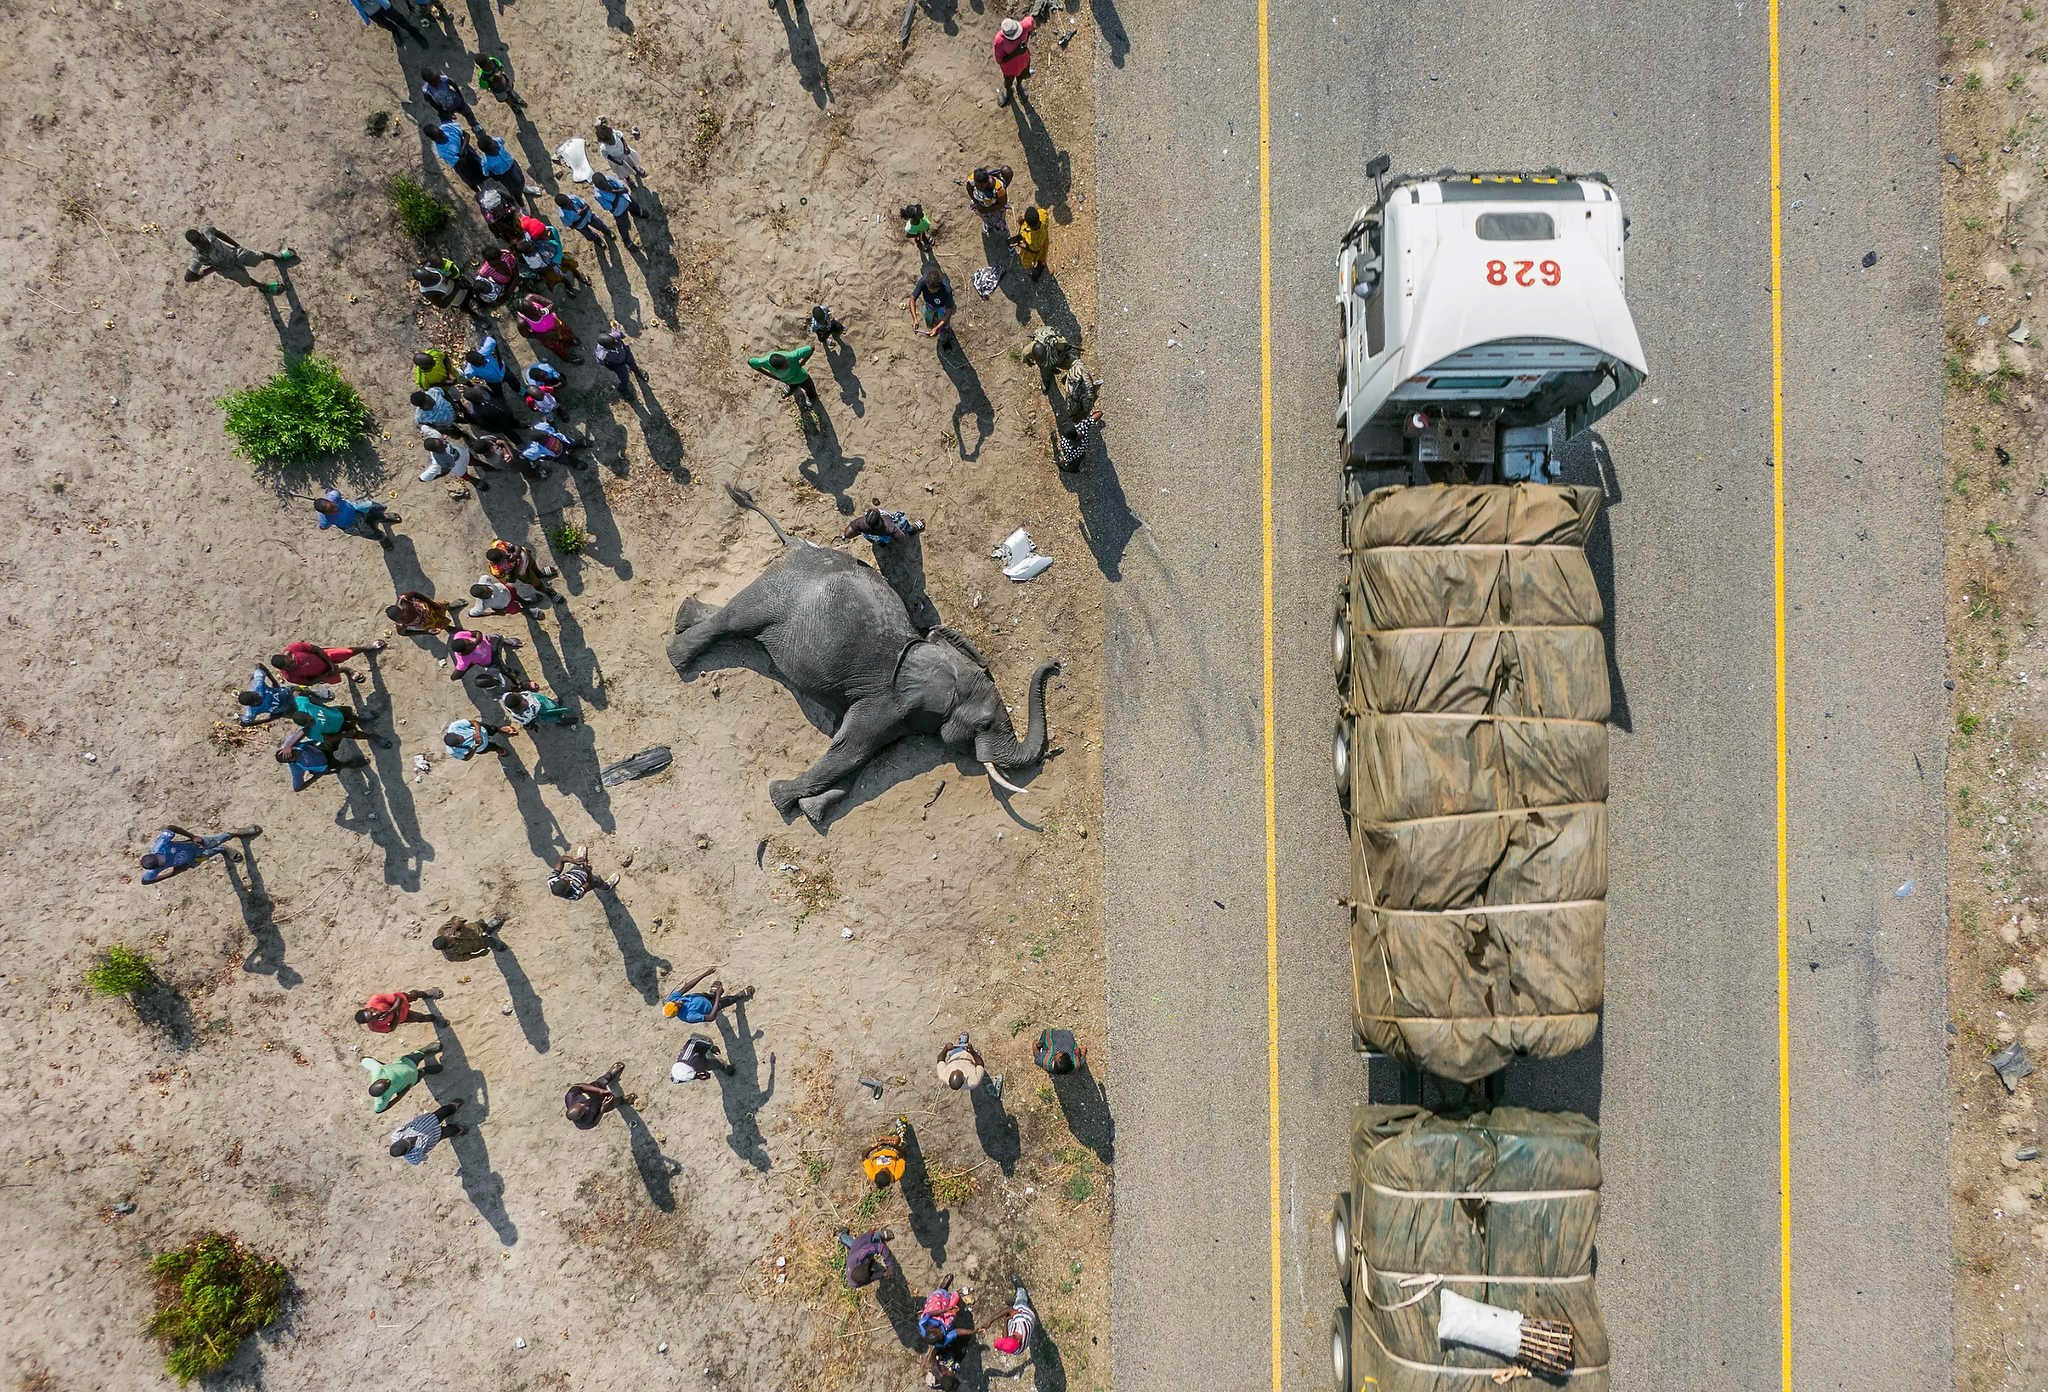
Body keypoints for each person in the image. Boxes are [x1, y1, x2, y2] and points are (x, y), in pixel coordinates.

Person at [183, 226, 297, 295]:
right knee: (246, 280)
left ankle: (277, 257)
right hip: (227, 269)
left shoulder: (207, 231)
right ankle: (264, 287)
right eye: (198, 243)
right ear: (193, 244)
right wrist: (212, 269)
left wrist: (236, 245)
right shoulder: (197, 257)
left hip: (235, 253)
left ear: (201, 235)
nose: (202, 243)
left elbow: (219, 234)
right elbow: (189, 278)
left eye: (201, 239)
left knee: (258, 256)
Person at [139, 825, 257, 884]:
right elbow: (145, 881)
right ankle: (223, 849)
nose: (162, 858)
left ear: (154, 854)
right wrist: (172, 873)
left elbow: (170, 827)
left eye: (159, 856)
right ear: (157, 867)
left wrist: (192, 836)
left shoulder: (160, 845)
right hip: (192, 860)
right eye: (161, 862)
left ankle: (237, 833)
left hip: (196, 844)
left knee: (220, 838)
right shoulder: (152, 872)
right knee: (209, 854)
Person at [289, 688, 388, 749]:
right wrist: (343, 735)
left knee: (352, 715)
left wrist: (312, 692)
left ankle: (361, 720)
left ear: (306, 713)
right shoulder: (311, 732)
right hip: (339, 729)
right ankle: (372, 737)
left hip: (337, 713)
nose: (312, 721)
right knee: (355, 734)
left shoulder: (303, 705)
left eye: (310, 718)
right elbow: (327, 738)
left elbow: (295, 691)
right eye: (309, 723)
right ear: (304, 726)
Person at [362, 1043, 443, 1112]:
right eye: (388, 1084)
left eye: (385, 1080)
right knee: (419, 1075)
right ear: (384, 1092)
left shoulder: (377, 1070)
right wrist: (401, 1095)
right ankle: (425, 1070)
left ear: (377, 1080)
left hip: (406, 1063)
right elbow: (379, 1110)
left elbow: (363, 1059)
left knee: (418, 1055)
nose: (388, 1080)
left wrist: (386, 1065)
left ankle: (424, 1051)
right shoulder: (381, 1100)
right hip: (409, 1081)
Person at [277, 727, 364, 790]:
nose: (296, 754)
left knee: (330, 738)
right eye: (292, 757)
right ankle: (348, 764)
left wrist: (289, 745)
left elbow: (304, 730)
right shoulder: (296, 768)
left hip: (319, 748)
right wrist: (316, 777)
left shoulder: (290, 744)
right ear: (291, 762)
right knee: (336, 766)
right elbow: (297, 788)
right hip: (324, 765)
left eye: (293, 752)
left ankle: (345, 734)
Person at [272, 639, 383, 687]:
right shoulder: (289, 676)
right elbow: (308, 683)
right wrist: (324, 675)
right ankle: (346, 670)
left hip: (324, 657)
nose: (293, 663)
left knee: (347, 651)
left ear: (287, 655)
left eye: (291, 660)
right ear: (284, 669)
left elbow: (316, 649)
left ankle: (365, 647)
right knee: (336, 677)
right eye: (289, 666)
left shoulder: (294, 648)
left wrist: (330, 664)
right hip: (322, 674)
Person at [313, 490, 399, 547]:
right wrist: (322, 524)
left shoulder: (333, 496)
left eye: (333, 506)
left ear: (331, 501)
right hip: (352, 525)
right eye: (331, 511)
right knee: (370, 533)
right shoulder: (325, 519)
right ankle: (382, 539)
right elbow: (323, 527)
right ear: (324, 513)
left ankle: (384, 518)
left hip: (357, 509)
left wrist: (328, 492)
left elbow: (334, 491)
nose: (335, 509)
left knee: (376, 510)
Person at [661, 968, 751, 1022]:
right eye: (679, 1004)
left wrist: (704, 974)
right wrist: (718, 997)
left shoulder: (671, 999)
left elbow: (686, 987)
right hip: (710, 1007)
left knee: (717, 984)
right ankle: (740, 995)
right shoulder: (688, 1017)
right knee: (727, 1000)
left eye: (675, 1001)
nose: (679, 1001)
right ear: (677, 1012)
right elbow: (711, 1017)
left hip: (702, 997)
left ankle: (713, 994)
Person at [477, 131, 543, 205]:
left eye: (493, 142)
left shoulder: (497, 141)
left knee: (520, 179)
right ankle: (522, 206)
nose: (496, 145)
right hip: (505, 176)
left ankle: (524, 188)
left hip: (513, 165)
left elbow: (502, 141)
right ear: (487, 151)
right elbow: (486, 173)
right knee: (515, 192)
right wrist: (495, 175)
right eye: (492, 146)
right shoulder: (486, 162)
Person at [390, 1101, 467, 1163]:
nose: (409, 1139)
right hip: (434, 1136)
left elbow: (404, 1126)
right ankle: (458, 1130)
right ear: (407, 1151)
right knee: (450, 1131)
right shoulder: (413, 1157)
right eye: (409, 1143)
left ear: (397, 1141)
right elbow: (424, 1157)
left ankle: (453, 1106)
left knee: (442, 1112)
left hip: (426, 1121)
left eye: (405, 1139)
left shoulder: (395, 1135)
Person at [486, 538, 563, 601]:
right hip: (523, 573)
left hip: (526, 557)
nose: (508, 554)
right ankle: (547, 591)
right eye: (504, 557)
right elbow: (511, 580)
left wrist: (516, 554)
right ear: (498, 562)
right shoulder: (497, 571)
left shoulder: (498, 544)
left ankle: (540, 574)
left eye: (504, 553)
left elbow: (516, 546)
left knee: (533, 566)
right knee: (536, 583)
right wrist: (517, 566)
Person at [747, 344, 818, 407]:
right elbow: (751, 363)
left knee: (809, 388)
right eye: (785, 366)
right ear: (777, 368)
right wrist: (769, 375)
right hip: (787, 380)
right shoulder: (763, 361)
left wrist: (803, 362)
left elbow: (811, 347)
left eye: (786, 362)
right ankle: (792, 387)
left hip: (802, 377)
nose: (787, 365)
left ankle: (811, 397)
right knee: (792, 385)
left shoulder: (792, 356)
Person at [516, 294, 581, 362]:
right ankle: (567, 358)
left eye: (534, 307)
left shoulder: (532, 298)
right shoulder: (522, 323)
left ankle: (570, 341)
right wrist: (545, 335)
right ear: (526, 314)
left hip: (555, 323)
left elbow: (551, 304)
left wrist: (545, 311)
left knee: (566, 333)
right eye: (533, 312)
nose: (536, 310)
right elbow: (526, 335)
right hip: (546, 336)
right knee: (557, 347)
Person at [565, 1063, 631, 1128]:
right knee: (614, 1103)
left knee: (601, 1081)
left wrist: (600, 1090)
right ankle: (623, 1100)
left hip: (594, 1090)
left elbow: (580, 1086)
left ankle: (610, 1074)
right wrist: (602, 1109)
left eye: (580, 1104)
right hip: (600, 1106)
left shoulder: (570, 1096)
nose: (584, 1104)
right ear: (581, 1116)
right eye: (583, 1109)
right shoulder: (584, 1123)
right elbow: (594, 1123)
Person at [425, 121, 485, 191]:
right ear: (434, 139)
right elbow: (460, 164)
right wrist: (463, 150)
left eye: (441, 132)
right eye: (440, 136)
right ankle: (478, 191)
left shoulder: (447, 128)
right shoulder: (442, 151)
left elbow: (466, 135)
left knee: (482, 167)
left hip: (468, 153)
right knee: (471, 179)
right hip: (462, 164)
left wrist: (463, 148)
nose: (443, 135)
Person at [356, 987, 446, 1033]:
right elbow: (391, 1028)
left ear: (369, 1008)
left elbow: (399, 999)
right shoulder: (374, 1027)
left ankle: (426, 993)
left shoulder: (375, 999)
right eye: (372, 1018)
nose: (375, 1014)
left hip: (401, 1001)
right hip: (402, 1016)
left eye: (372, 1012)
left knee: (413, 995)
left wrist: (391, 1011)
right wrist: (397, 1015)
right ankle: (434, 1018)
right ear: (370, 1022)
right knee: (419, 1018)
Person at [591, 172, 644, 248]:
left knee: (635, 207)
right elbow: (608, 207)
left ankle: (639, 213)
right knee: (623, 227)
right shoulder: (598, 195)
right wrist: (617, 192)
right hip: (619, 212)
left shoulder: (608, 178)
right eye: (602, 186)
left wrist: (617, 194)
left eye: (604, 183)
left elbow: (623, 187)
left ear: (605, 179)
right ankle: (627, 242)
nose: (604, 186)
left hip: (627, 199)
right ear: (597, 186)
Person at [234, 664, 300, 725]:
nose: (259, 698)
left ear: (253, 692)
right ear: (252, 704)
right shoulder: (251, 711)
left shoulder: (258, 685)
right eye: (256, 700)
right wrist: (268, 719)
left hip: (290, 693)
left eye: (256, 695)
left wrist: (274, 681)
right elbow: (246, 723)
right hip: (288, 710)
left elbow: (259, 666)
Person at [910, 265, 957, 350]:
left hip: (943, 307)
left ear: (939, 287)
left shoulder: (946, 290)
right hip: (929, 306)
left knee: (944, 327)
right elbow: (912, 299)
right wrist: (915, 319)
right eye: (928, 287)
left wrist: (938, 327)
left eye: (933, 290)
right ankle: (934, 329)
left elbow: (949, 311)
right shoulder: (924, 281)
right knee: (930, 322)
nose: (930, 290)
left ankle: (945, 339)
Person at [594, 325, 648, 398]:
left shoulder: (614, 336)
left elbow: (621, 335)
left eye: (615, 340)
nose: (616, 341)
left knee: (632, 363)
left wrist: (619, 332)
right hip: (617, 364)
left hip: (625, 353)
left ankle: (637, 372)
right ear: (606, 347)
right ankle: (622, 390)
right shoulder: (602, 354)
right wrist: (611, 366)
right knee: (624, 378)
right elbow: (601, 362)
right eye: (613, 343)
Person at [992, 15, 1036, 106]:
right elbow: (1000, 60)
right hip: (1009, 69)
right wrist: (1016, 53)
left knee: (1022, 76)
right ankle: (1008, 92)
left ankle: (1019, 86)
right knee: (1008, 82)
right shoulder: (999, 41)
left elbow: (1031, 22)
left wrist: (1027, 37)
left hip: (1024, 61)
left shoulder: (1025, 25)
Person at [549, 845, 619, 900]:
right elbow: (590, 883)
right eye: (569, 881)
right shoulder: (575, 894)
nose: (567, 877)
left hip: (575, 871)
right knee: (596, 881)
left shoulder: (552, 880)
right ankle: (607, 886)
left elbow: (562, 859)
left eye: (563, 877)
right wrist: (588, 872)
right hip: (585, 880)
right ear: (568, 888)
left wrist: (574, 861)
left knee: (579, 864)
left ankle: (580, 860)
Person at [594, 118, 649, 184]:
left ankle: (637, 170)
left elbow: (621, 138)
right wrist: (617, 162)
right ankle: (628, 179)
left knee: (632, 163)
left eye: (611, 135)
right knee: (624, 171)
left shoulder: (614, 133)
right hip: (618, 161)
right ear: (603, 140)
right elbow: (608, 157)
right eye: (609, 139)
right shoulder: (604, 148)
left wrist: (626, 147)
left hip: (626, 154)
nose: (611, 140)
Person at [990, 1284, 1038, 1359]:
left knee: (1009, 1318)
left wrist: (1006, 1321)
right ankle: (1021, 1289)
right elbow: (1009, 1310)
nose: (1013, 1333)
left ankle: (1014, 1306)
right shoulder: (1023, 1326)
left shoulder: (1015, 1350)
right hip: (1026, 1314)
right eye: (1014, 1335)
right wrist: (991, 1321)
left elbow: (1005, 1337)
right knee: (1020, 1302)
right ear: (1018, 1341)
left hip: (1016, 1321)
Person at [348, 0, 426, 45]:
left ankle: (414, 33)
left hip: (381, 4)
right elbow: (356, 6)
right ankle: (395, 31)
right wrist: (365, 18)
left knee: (399, 19)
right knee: (386, 24)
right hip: (371, 12)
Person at [431, 913, 506, 960]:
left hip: (475, 929)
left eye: (448, 936)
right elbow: (466, 957)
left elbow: (457, 918)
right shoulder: (450, 955)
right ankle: (499, 946)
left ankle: (489, 928)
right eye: (450, 940)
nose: (451, 937)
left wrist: (455, 926)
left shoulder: (442, 931)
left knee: (483, 925)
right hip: (478, 944)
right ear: (447, 946)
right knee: (493, 943)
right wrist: (479, 954)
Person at [841, 505, 923, 546]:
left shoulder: (861, 523)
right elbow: (902, 539)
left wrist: (845, 536)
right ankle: (912, 530)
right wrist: (901, 540)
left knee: (870, 536)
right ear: (879, 518)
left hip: (873, 536)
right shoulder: (890, 527)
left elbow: (851, 529)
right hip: (887, 534)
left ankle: (881, 543)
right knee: (902, 521)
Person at [862, 1116, 910, 1187]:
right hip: (892, 1150)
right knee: (898, 1138)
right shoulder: (897, 1174)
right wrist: (892, 1145)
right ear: (890, 1177)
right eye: (887, 1170)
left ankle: (886, 1138)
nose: (884, 1167)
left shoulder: (873, 1174)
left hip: (879, 1149)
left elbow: (864, 1156)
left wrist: (875, 1146)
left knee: (880, 1139)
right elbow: (904, 1155)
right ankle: (899, 1127)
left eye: (881, 1169)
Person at [387, 591, 458, 638]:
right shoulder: (400, 625)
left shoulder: (404, 600)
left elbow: (415, 594)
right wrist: (426, 632)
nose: (405, 617)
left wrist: (432, 603)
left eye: (403, 614)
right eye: (401, 619)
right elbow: (402, 633)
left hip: (427, 608)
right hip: (426, 621)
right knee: (440, 623)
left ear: (401, 608)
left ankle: (449, 607)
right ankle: (448, 628)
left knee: (441, 606)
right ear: (397, 621)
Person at [443, 717, 516, 762]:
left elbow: (474, 722)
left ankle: (499, 729)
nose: (462, 737)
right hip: (481, 747)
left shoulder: (454, 727)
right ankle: (498, 749)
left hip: (482, 730)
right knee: (492, 747)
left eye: (459, 735)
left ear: (453, 733)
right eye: (461, 741)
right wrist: (475, 747)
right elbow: (466, 758)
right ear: (457, 745)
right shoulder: (452, 751)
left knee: (492, 729)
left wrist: (477, 732)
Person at [501, 687, 580, 729]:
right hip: (542, 711)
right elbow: (545, 712)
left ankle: (556, 706)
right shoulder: (530, 709)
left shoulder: (506, 698)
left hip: (541, 702)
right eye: (523, 699)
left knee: (552, 704)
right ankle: (561, 721)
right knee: (553, 715)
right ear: (521, 705)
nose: (523, 696)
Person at [1009, 206, 1049, 279]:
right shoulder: (1042, 214)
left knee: (1030, 261)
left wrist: (1020, 245)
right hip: (1044, 243)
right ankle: (1041, 265)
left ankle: (1038, 270)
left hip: (1035, 250)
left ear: (1029, 226)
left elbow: (1034, 250)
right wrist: (1023, 222)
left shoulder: (1032, 239)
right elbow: (1044, 214)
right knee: (1042, 257)